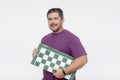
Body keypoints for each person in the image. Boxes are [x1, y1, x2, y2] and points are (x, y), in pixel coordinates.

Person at [32, 8, 88, 80]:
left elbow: (83, 59)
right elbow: (45, 60)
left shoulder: (71, 38)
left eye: (55, 18)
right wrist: (36, 54)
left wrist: (64, 72)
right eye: (50, 19)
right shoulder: (44, 39)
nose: (53, 22)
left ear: (62, 20)